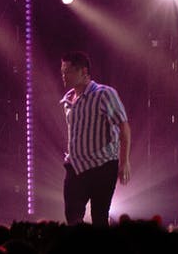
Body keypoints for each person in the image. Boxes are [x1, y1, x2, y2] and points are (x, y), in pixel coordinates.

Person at [59, 51, 130, 227]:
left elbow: (124, 127)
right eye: (62, 71)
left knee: (99, 217)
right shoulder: (68, 100)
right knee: (73, 217)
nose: (63, 76)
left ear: (83, 71)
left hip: (102, 166)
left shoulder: (104, 94)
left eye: (68, 71)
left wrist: (124, 161)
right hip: (75, 167)